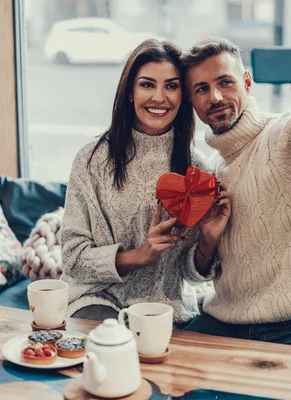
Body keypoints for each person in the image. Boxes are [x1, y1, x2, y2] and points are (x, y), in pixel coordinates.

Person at [181, 37, 291, 351]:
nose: (215, 97)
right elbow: (197, 273)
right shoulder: (208, 171)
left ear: (247, 83)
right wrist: (208, 241)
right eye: (201, 89)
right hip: (224, 321)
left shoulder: (288, 133)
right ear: (192, 100)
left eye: (225, 82)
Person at [60, 39, 231, 325]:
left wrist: (208, 241)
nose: (159, 97)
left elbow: (192, 274)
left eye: (172, 86)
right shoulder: (90, 160)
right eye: (147, 85)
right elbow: (73, 258)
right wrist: (141, 256)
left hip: (167, 309)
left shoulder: (197, 169)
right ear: (129, 92)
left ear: (183, 95)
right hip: (97, 299)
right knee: (116, 350)